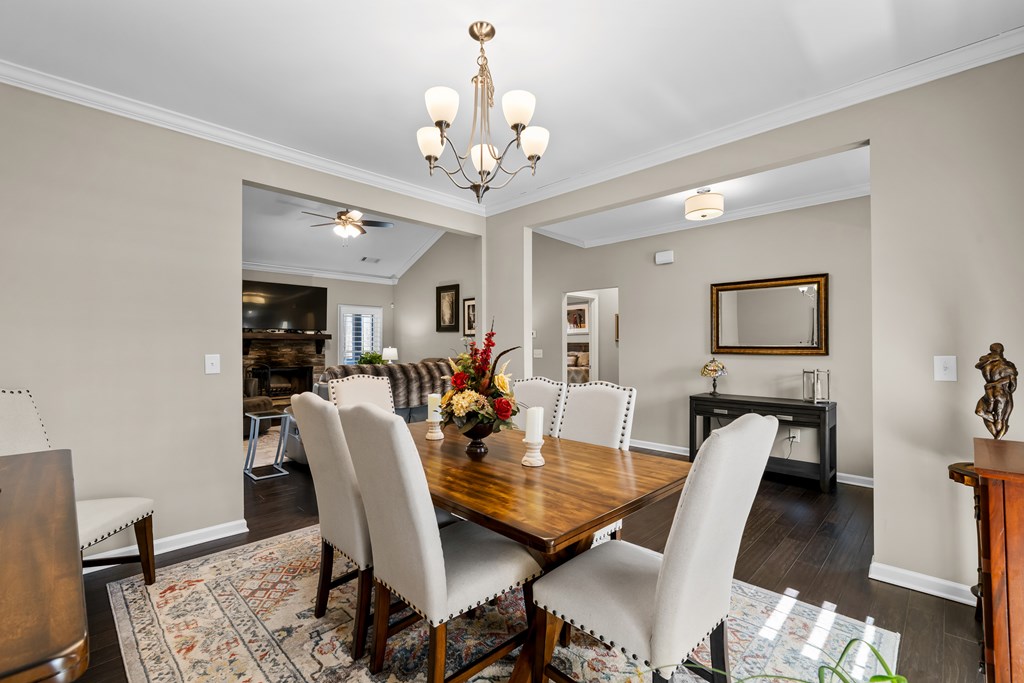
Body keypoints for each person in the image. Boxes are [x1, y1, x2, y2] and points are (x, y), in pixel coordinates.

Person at [976, 343, 1018, 439]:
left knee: (980, 411)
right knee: (1001, 421)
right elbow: (1013, 388)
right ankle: (997, 441)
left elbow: (977, 366)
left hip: (988, 393)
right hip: (1001, 394)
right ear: (1002, 351)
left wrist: (993, 383)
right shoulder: (1007, 365)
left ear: (991, 350)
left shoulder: (986, 362)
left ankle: (996, 441)